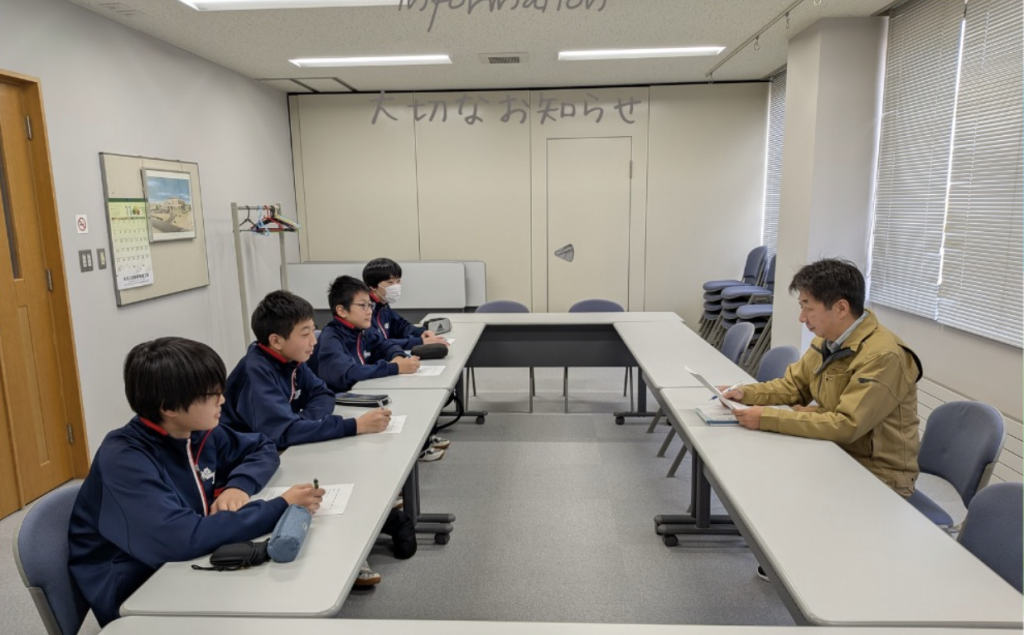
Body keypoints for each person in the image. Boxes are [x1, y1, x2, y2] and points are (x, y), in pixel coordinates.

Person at [68, 337, 323, 627]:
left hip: (189, 564)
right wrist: (280, 506)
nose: (222, 401)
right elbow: (181, 539)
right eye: (212, 395)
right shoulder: (124, 458)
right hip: (137, 592)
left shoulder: (193, 430)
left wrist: (238, 486)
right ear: (169, 407)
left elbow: (262, 447)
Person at [221, 290, 405, 584]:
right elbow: (282, 434)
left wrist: (301, 422)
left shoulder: (291, 359)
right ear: (276, 340)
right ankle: (340, 559)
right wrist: (352, 426)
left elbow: (322, 394)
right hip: (254, 462)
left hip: (282, 447)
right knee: (323, 484)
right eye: (305, 334)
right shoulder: (256, 370)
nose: (314, 341)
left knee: (342, 465)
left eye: (312, 331)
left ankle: (365, 533)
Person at [724, 258, 923, 497]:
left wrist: (766, 418)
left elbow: (846, 425)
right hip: (833, 449)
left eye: (808, 309)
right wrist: (744, 393)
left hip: (877, 475)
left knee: (775, 488)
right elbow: (793, 387)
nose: (802, 317)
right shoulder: (828, 339)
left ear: (841, 308)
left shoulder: (884, 356)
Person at [310, 276, 450, 462]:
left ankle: (419, 445)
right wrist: (394, 367)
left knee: (409, 397)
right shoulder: (331, 338)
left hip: (362, 391)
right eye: (362, 306)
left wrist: (398, 357)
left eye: (370, 305)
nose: (369, 311)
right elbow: (348, 373)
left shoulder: (362, 330)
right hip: (340, 402)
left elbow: (386, 345)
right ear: (341, 310)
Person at [363, 257, 448, 349]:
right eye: (390, 282)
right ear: (373, 286)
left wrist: (420, 332)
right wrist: (419, 341)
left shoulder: (383, 305)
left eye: (398, 281)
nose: (396, 286)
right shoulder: (364, 310)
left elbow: (401, 326)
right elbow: (377, 343)